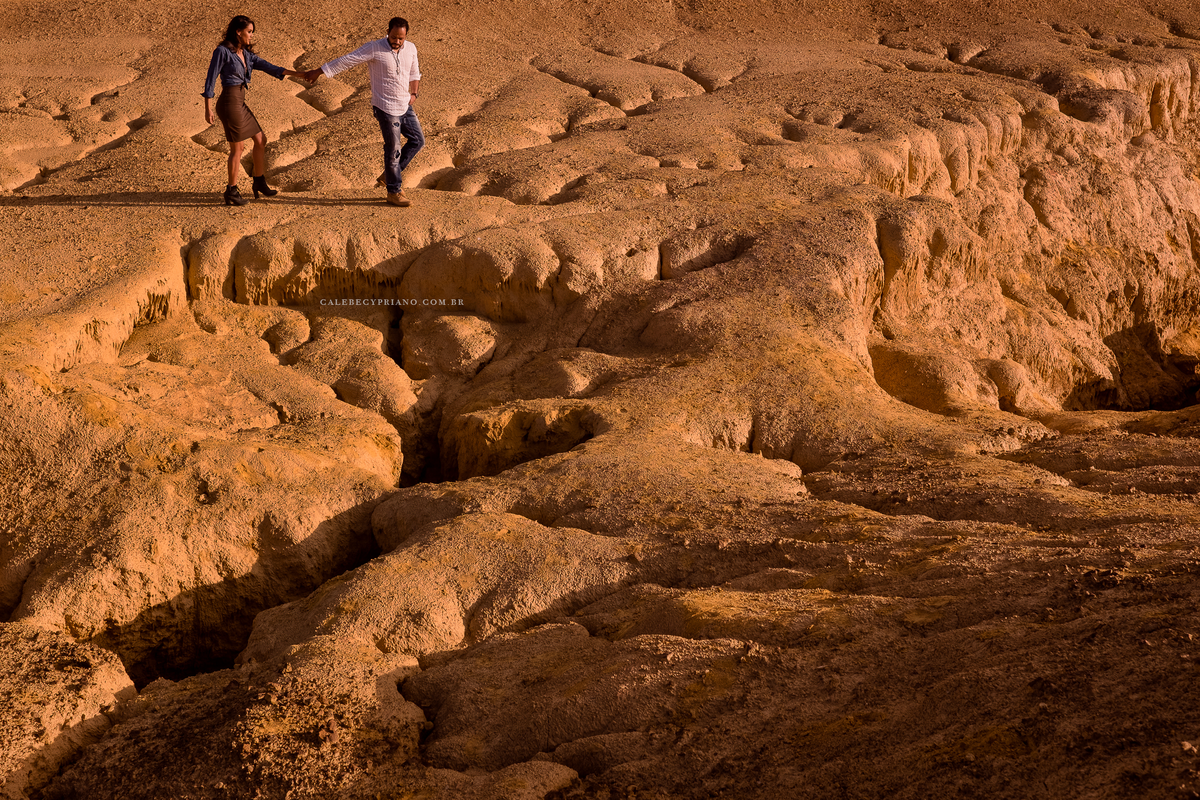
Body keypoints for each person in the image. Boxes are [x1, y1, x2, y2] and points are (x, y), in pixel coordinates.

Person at [304, 17, 424, 207]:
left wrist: (414, 93)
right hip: (385, 107)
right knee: (393, 149)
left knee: (418, 140)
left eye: (401, 38)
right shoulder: (375, 48)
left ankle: (390, 175)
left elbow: (414, 73)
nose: (397, 42)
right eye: (394, 37)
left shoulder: (411, 48)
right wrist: (319, 71)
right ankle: (394, 191)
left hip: (404, 105)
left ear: (406, 36)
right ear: (388, 32)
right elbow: (347, 60)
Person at [202, 15, 303, 206]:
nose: (251, 36)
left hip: (240, 102)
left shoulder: (246, 54)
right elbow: (210, 79)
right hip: (229, 102)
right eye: (249, 32)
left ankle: (259, 181)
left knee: (260, 140)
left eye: (252, 32)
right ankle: (231, 191)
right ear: (238, 32)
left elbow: (270, 67)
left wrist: (299, 74)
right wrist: (207, 108)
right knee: (237, 148)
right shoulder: (222, 51)